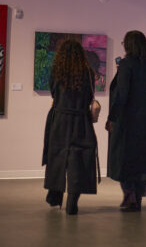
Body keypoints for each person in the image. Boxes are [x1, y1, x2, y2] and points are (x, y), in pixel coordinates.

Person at [106, 30, 146, 212]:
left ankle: (129, 194)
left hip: (128, 115)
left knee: (123, 155)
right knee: (142, 157)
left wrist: (112, 117)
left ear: (128, 44)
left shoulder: (126, 64)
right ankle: (137, 197)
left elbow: (122, 94)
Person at [42, 39, 99, 215]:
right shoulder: (88, 73)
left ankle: (55, 195)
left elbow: (53, 92)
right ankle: (72, 201)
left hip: (59, 119)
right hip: (81, 120)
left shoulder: (57, 71)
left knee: (58, 157)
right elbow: (90, 95)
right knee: (79, 160)